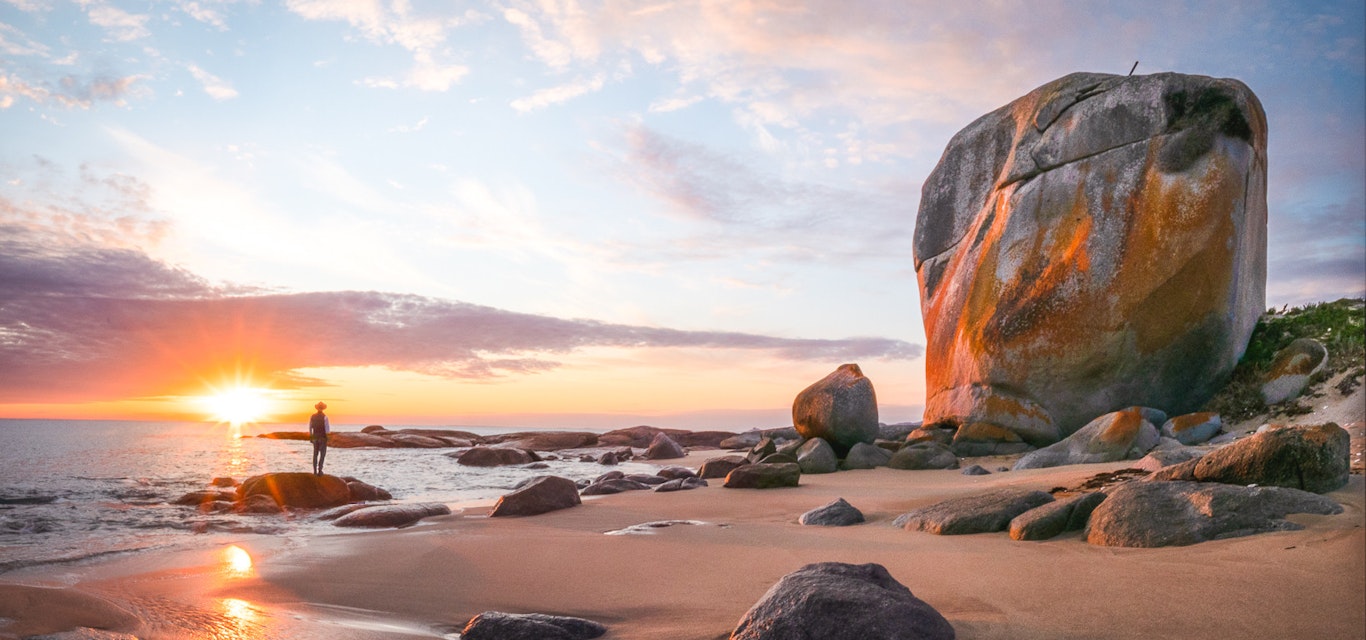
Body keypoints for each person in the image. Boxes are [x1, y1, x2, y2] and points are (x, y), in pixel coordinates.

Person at [309, 402, 331, 475]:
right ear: (323, 409)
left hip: (315, 437)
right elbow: (327, 429)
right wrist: (328, 438)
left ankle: (315, 471)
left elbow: (310, 427)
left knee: (315, 454)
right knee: (322, 454)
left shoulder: (312, 416)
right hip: (322, 437)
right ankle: (320, 470)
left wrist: (311, 437)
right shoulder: (325, 417)